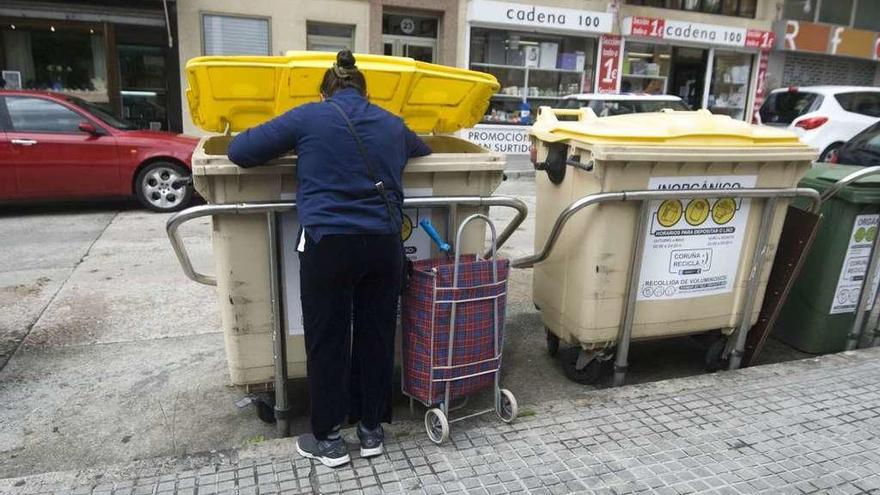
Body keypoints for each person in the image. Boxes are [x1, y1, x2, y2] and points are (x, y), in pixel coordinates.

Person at [227, 50, 431, 468]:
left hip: (329, 244)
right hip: (384, 244)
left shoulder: (308, 117)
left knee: (328, 338)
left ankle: (329, 439)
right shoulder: (392, 123)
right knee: (377, 334)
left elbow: (240, 151)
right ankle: (372, 432)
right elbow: (423, 147)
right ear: (366, 92)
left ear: (325, 92)